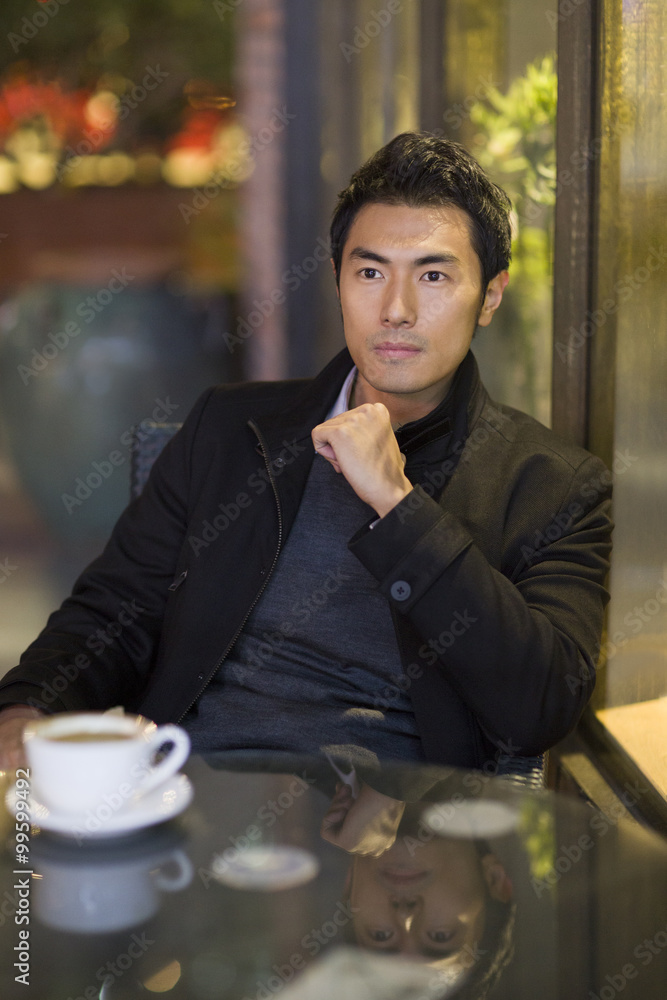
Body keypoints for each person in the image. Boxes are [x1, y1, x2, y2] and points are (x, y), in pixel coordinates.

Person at [0, 132, 613, 771]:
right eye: (370, 272)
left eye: (433, 275)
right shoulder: (229, 430)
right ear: (339, 281)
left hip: (400, 841)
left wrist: (400, 508)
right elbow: (114, 614)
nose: (396, 309)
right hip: (196, 810)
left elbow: (539, 708)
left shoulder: (554, 488)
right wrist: (25, 711)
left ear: (490, 294)